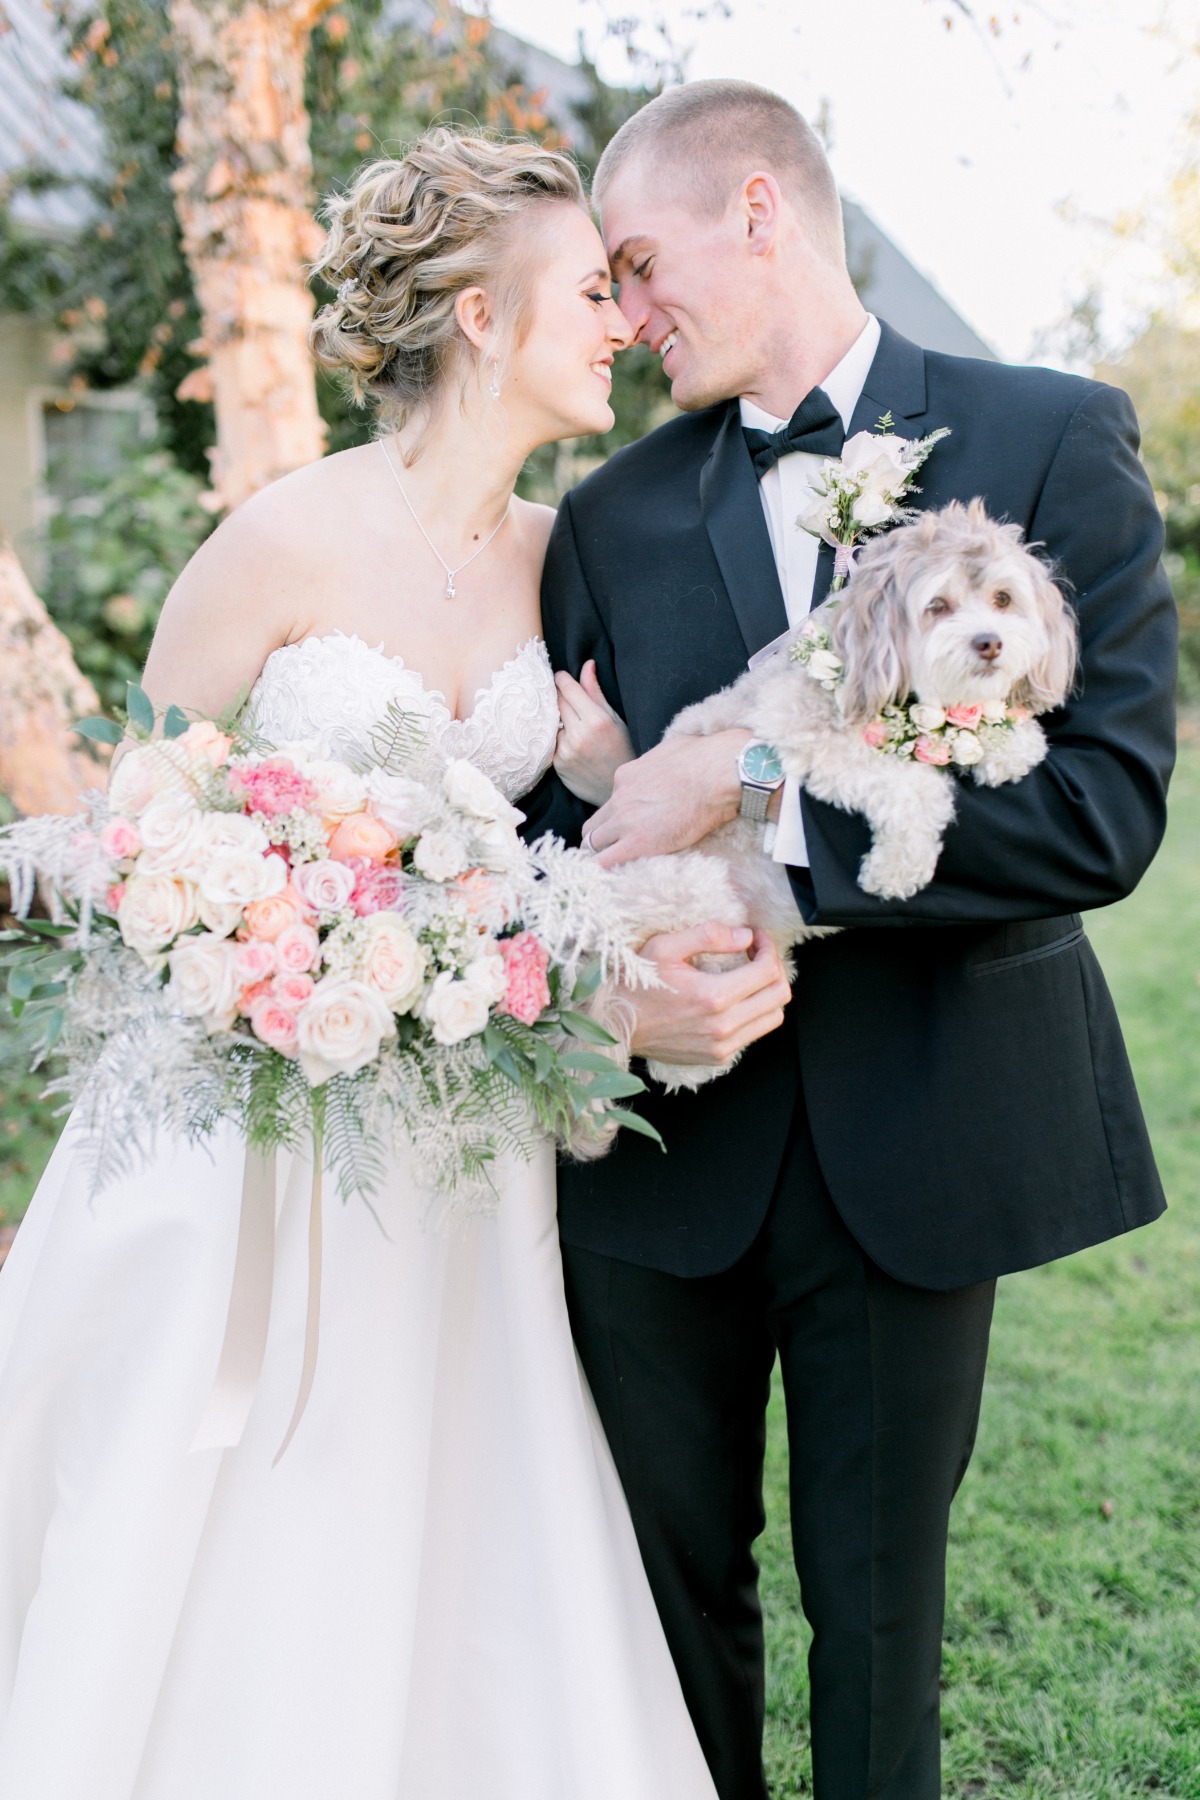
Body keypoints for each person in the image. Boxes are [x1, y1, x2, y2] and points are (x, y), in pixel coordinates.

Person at [0, 129, 721, 1800]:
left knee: (450, 1501)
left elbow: (570, 825)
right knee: (221, 1485)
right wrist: (263, 926)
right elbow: (142, 822)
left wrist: (614, 791)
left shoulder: (571, 551)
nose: (619, 317)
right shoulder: (279, 538)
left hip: (467, 1136)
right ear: (477, 314)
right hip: (242, 1127)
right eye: (589, 289)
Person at [525, 79, 1177, 1800]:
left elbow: (1102, 809)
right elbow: (559, 825)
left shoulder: (1047, 432)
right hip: (662, 1151)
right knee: (667, 1605)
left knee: (882, 1624)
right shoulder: (609, 515)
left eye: (644, 264)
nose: (629, 313)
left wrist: (781, 831)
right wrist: (617, 989)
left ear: (762, 208)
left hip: (925, 1132)